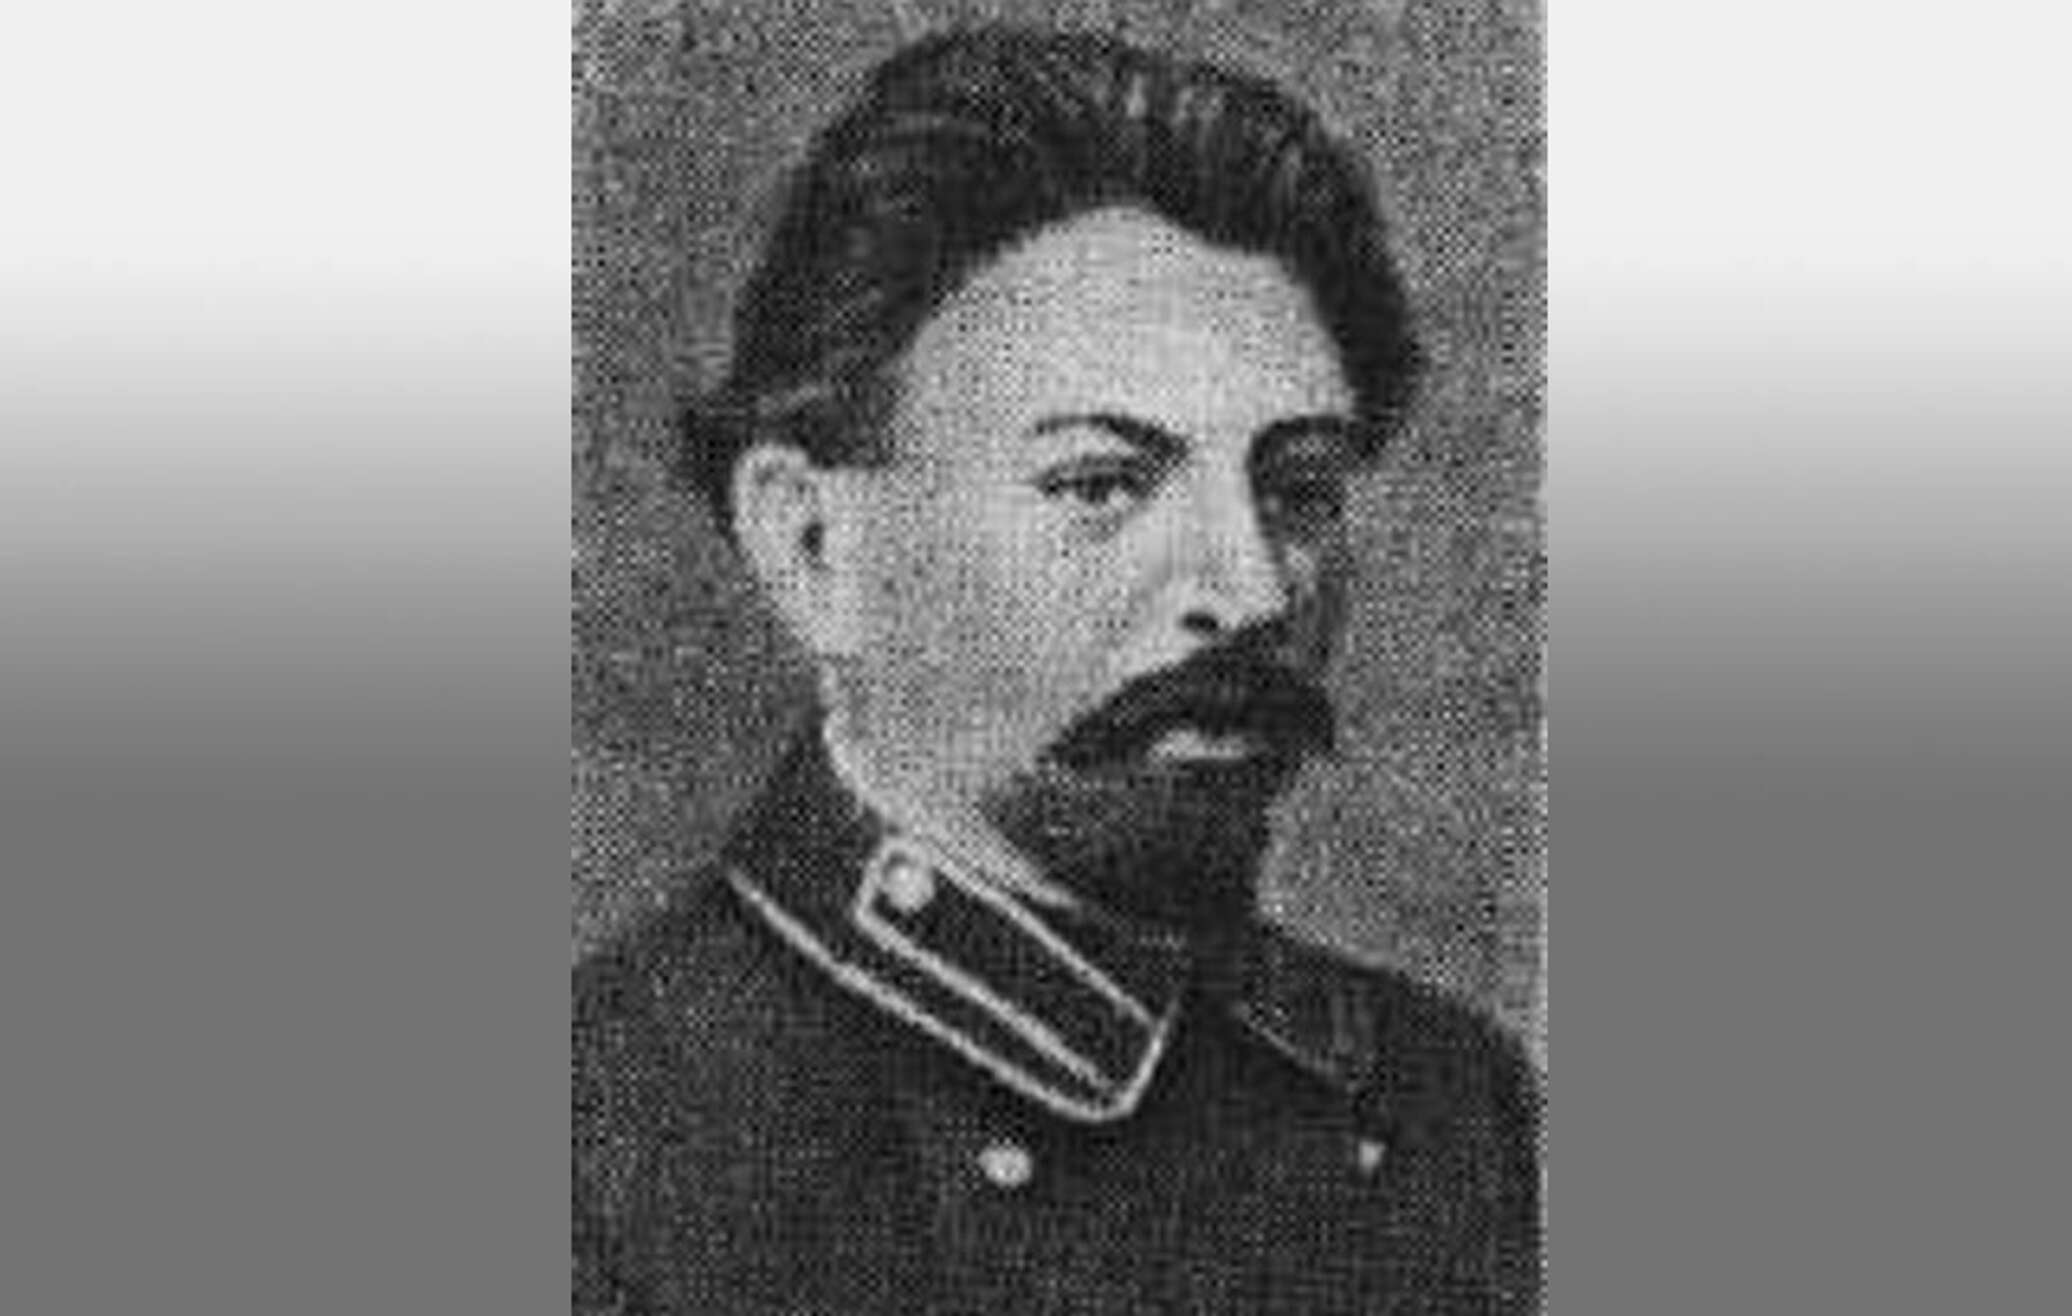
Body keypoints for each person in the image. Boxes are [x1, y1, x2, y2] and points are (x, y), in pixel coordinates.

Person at [573, 24, 1541, 1315]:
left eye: (1300, 489)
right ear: (813, 546)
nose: (1254, 591)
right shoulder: (599, 1142)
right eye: (1102, 484)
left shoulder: (1452, 1105)